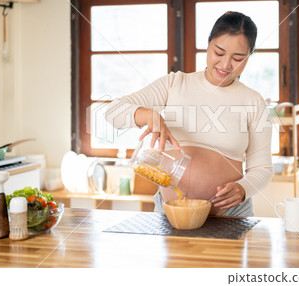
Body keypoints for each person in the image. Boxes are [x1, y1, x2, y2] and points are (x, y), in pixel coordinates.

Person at [106, 11, 273, 217]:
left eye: (238, 58)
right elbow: (112, 112)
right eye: (219, 53)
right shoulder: (175, 84)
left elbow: (262, 169)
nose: (226, 64)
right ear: (208, 44)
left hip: (230, 216)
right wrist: (149, 116)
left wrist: (243, 189)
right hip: (171, 215)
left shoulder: (253, 101)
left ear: (249, 57)